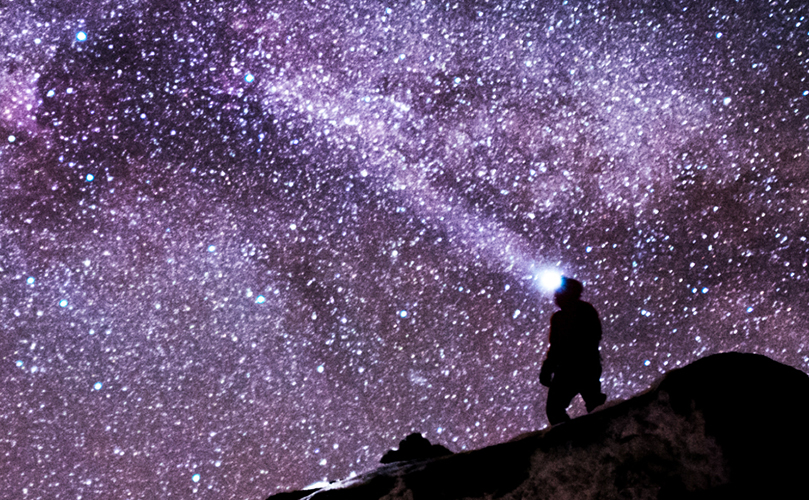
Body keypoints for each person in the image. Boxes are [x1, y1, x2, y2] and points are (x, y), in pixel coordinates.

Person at [539, 277, 607, 425]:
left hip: (575, 367)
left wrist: (549, 367)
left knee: (556, 408)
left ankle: (574, 441)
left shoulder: (575, 313)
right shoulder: (573, 313)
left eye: (558, 293)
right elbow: (557, 346)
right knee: (593, 403)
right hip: (582, 365)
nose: (555, 296)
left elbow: (557, 346)